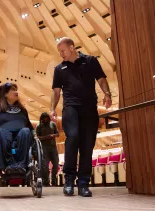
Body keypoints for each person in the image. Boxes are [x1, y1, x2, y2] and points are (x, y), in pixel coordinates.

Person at [50, 37, 112, 197]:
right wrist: (52, 109)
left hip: (90, 108)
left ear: (71, 47)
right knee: (73, 137)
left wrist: (107, 94)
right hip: (70, 107)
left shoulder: (90, 61)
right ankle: (69, 180)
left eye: (62, 50)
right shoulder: (59, 68)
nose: (61, 54)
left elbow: (101, 79)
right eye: (59, 51)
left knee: (87, 144)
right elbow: (56, 91)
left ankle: (83, 183)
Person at [0, 82, 36, 174]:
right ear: (5, 94)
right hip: (1, 137)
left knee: (26, 131)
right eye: (12, 90)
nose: (16, 92)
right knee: (1, 133)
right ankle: (7, 165)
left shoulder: (22, 110)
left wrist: (35, 135)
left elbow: (29, 126)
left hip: (21, 138)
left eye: (16, 89)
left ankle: (21, 165)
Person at [36, 112, 59, 186]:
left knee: (56, 164)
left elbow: (58, 134)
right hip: (44, 148)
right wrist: (46, 137)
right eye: (44, 119)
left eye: (47, 119)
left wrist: (52, 135)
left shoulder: (53, 124)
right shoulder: (39, 126)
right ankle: (45, 180)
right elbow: (37, 137)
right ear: (42, 119)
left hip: (53, 148)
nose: (46, 120)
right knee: (45, 166)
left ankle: (54, 179)